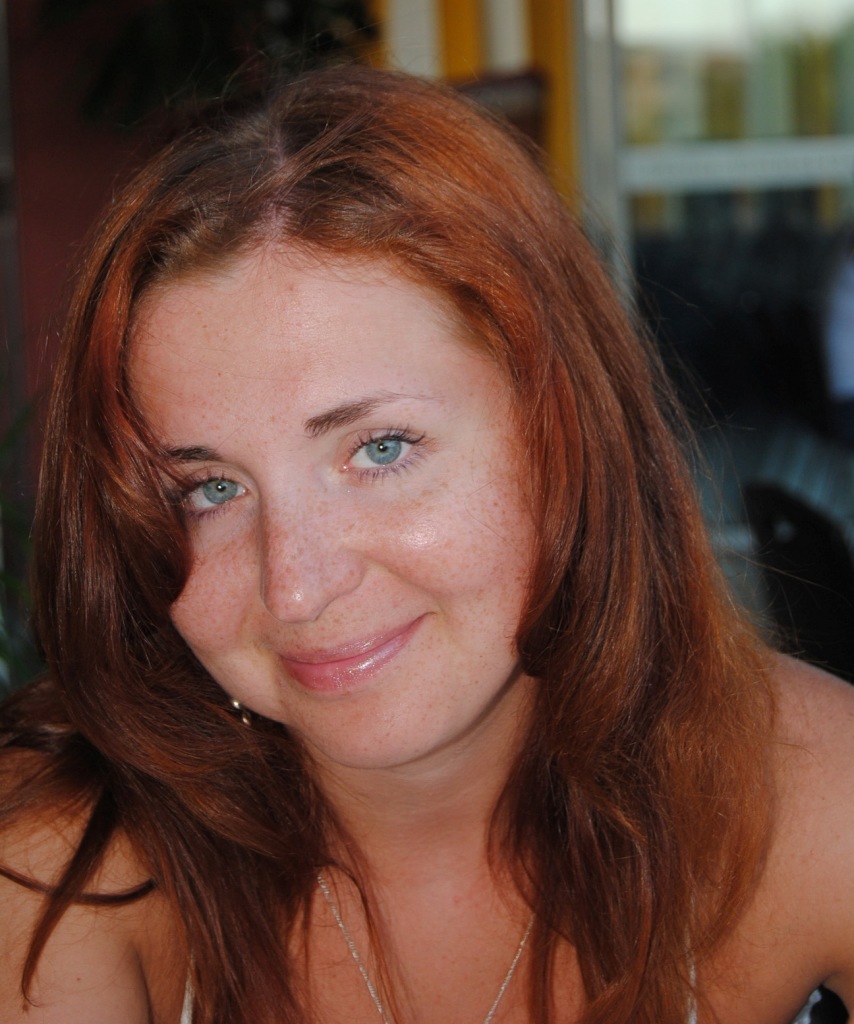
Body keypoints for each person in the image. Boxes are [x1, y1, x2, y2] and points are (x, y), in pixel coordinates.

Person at [0, 65, 852, 1024]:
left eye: (381, 448)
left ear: (564, 431)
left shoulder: (812, 794)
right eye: (211, 489)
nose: (297, 587)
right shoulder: (56, 863)